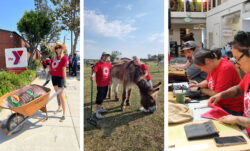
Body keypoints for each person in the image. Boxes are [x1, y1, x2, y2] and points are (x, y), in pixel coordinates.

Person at [209, 31, 250, 136]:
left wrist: (237, 119)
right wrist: (221, 95)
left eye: (237, 59)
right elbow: (239, 89)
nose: (236, 65)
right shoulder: (248, 75)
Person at [190, 47, 244, 115]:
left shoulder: (225, 68)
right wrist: (198, 85)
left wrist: (200, 90)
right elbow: (208, 81)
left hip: (231, 109)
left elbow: (217, 94)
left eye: (201, 67)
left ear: (207, 60)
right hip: (220, 104)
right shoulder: (212, 66)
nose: (201, 70)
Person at [91, 52, 112, 119]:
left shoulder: (108, 64)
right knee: (99, 98)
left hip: (106, 83)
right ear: (102, 56)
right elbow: (94, 71)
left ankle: (100, 108)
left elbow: (113, 68)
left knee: (103, 97)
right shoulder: (98, 64)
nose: (106, 57)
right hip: (100, 84)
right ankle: (97, 112)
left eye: (107, 56)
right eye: (105, 56)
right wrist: (92, 75)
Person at [50, 42, 68, 121]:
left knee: (62, 95)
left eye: (59, 47)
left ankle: (64, 113)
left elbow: (64, 69)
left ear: (62, 49)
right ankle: (59, 107)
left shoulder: (64, 58)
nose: (57, 49)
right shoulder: (53, 58)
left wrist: (65, 80)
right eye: (56, 48)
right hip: (54, 78)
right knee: (57, 94)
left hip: (60, 78)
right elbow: (50, 68)